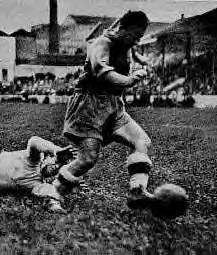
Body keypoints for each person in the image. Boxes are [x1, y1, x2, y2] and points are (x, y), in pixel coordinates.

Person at [52, 11, 154, 211]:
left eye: (140, 36)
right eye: (134, 34)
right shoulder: (101, 44)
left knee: (141, 141)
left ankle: (137, 190)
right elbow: (102, 73)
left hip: (114, 107)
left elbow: (134, 54)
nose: (136, 40)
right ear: (122, 29)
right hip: (88, 107)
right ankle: (54, 191)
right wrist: (131, 79)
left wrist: (144, 62)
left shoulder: (126, 44)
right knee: (87, 159)